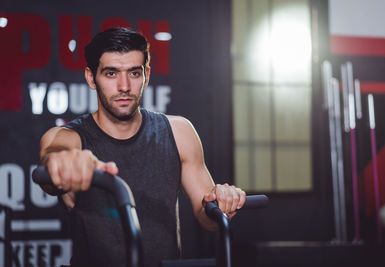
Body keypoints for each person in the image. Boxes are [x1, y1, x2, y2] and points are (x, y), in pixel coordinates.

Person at [38, 27, 246, 267]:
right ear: (91, 77)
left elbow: (208, 219)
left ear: (146, 75)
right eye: (111, 73)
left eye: (134, 73)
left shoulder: (179, 132)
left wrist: (223, 205)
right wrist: (62, 164)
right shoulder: (69, 138)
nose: (124, 86)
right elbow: (52, 162)